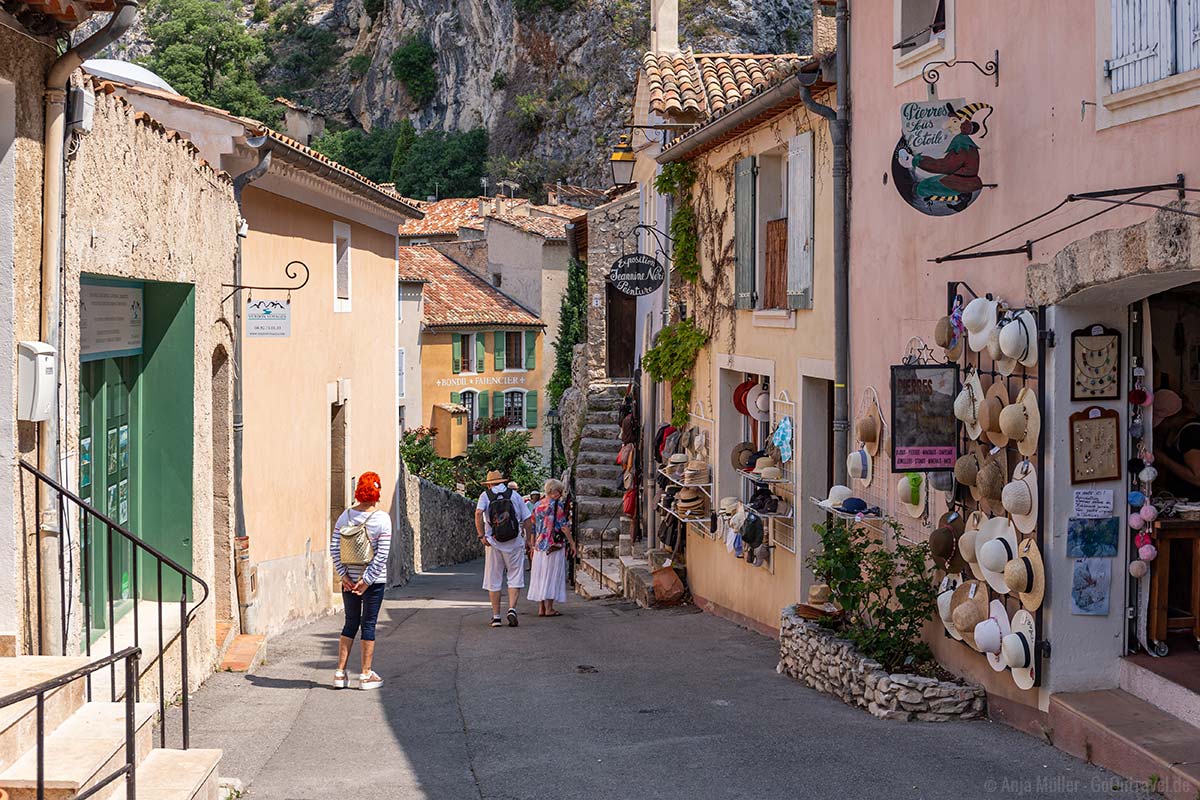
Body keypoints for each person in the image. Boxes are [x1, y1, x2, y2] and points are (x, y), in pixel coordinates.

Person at [330, 471, 391, 690]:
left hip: (349, 581)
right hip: (373, 582)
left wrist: (344, 575)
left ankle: (340, 673)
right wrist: (366, 580)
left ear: (358, 492)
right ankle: (365, 675)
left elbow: (334, 548)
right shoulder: (382, 519)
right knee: (369, 624)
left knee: (350, 622)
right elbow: (382, 554)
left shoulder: (344, 517)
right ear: (377, 492)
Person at [476, 470, 533, 627]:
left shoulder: (485, 496)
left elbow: (478, 513)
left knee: (494, 578)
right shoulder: (515, 495)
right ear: (502, 481)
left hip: (493, 542)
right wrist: (528, 540)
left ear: (489, 483)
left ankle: (496, 617)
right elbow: (527, 519)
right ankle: (512, 609)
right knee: (514, 576)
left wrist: (482, 535)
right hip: (514, 542)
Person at [527, 479, 576, 617]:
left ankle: (541, 608)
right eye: (559, 492)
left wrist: (531, 546)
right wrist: (572, 543)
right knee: (552, 576)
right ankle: (549, 608)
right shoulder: (557, 506)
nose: (560, 495)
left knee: (540, 576)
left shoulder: (537, 506)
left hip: (539, 546)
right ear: (553, 491)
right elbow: (564, 527)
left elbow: (533, 528)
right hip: (553, 546)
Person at [1153, 389, 1200, 497]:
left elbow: (1198, 478)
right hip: (1181, 499)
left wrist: (1164, 459)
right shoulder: (1174, 430)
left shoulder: (1192, 433)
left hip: (1193, 504)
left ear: (1171, 418)